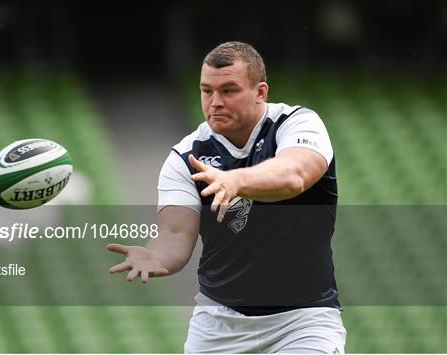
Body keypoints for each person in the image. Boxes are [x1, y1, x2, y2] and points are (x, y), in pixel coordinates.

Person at [107, 41, 346, 353]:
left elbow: (294, 175)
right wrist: (157, 255)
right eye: (207, 91)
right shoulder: (187, 156)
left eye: (229, 91)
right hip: (218, 327)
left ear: (260, 92)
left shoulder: (297, 123)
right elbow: (175, 233)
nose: (215, 102)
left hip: (302, 322)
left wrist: (235, 180)